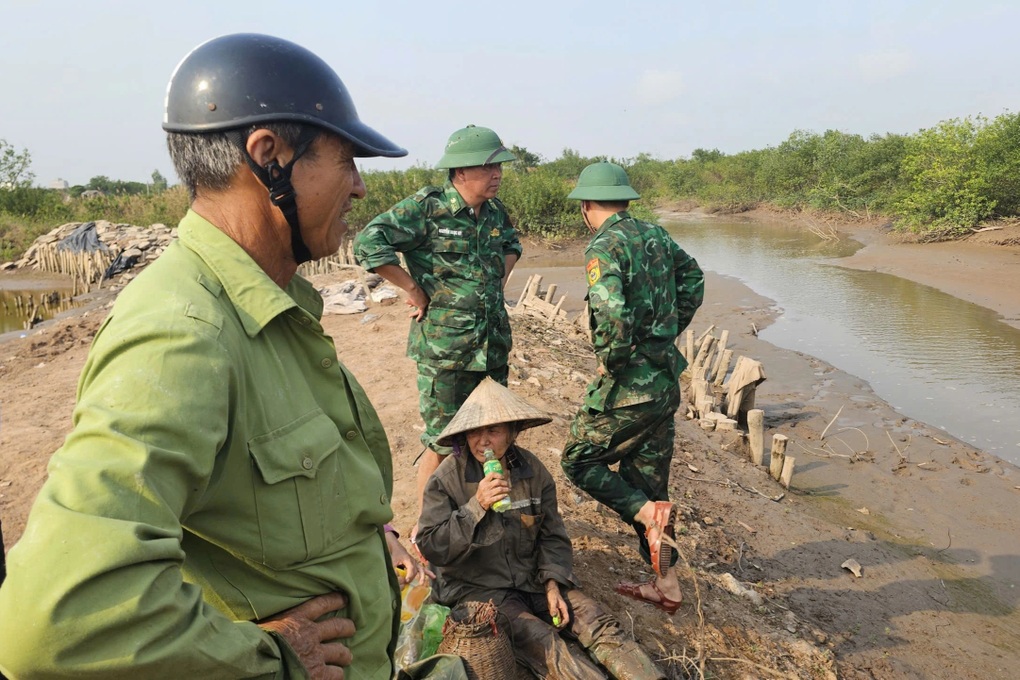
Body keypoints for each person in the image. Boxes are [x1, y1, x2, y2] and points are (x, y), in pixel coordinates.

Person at [0, 33, 421, 680]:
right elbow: (54, 618)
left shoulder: (268, 309)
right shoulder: (183, 334)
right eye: (346, 160)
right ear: (270, 155)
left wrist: (362, 541)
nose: (360, 187)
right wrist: (267, 659)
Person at [416, 378, 666, 679]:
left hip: (532, 579)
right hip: (480, 590)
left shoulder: (534, 472)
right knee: (545, 644)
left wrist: (552, 583)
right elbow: (431, 546)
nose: (483, 441)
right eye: (474, 432)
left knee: (597, 621)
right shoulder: (446, 480)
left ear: (512, 432)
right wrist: (476, 506)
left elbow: (553, 536)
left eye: (493, 431)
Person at [353, 125, 521, 537]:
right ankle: (427, 530)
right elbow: (368, 242)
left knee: (494, 434)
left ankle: (485, 513)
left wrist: (496, 282)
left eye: (498, 165)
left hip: (492, 345)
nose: (496, 173)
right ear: (459, 173)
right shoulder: (427, 209)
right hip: (446, 350)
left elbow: (513, 244)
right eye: (487, 166)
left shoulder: (496, 213)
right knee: (442, 439)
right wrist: (412, 289)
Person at [560, 162, 704, 615]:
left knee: (579, 460)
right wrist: (666, 331)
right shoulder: (656, 234)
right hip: (664, 380)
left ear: (586, 206)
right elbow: (694, 280)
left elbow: (613, 315)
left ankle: (645, 516)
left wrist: (615, 362)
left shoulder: (603, 247)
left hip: (632, 386)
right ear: (624, 198)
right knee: (647, 481)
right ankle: (669, 585)